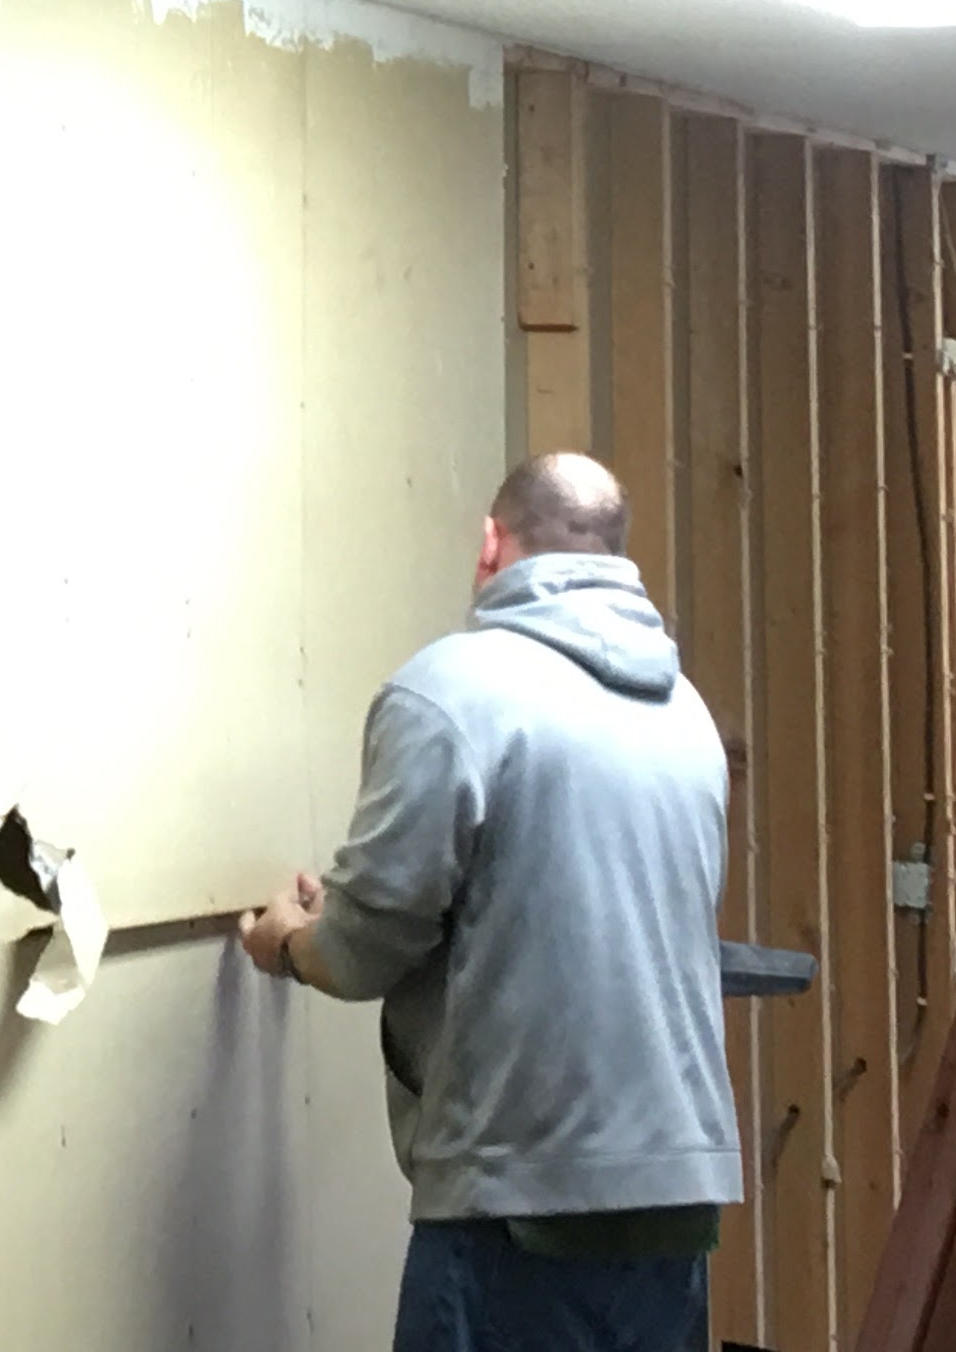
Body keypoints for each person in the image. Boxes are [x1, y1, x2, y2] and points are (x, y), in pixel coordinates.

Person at [237, 452, 740, 1352]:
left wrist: (289, 942)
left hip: (518, 1200)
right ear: (615, 554)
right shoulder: (685, 714)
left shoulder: (451, 692)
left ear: (489, 543)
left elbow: (359, 952)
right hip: (676, 1200)